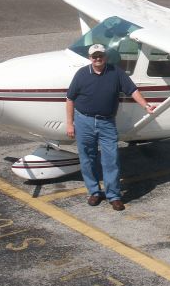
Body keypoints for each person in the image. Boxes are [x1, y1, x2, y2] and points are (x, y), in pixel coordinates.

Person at [66, 44, 154, 211]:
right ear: (89, 57)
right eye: (94, 56)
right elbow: (70, 99)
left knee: (111, 159)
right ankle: (94, 192)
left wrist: (146, 106)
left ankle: (113, 196)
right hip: (84, 121)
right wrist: (70, 123)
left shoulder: (116, 72)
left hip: (107, 123)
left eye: (101, 55)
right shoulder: (82, 74)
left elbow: (132, 90)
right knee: (87, 158)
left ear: (105, 57)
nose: (98, 58)